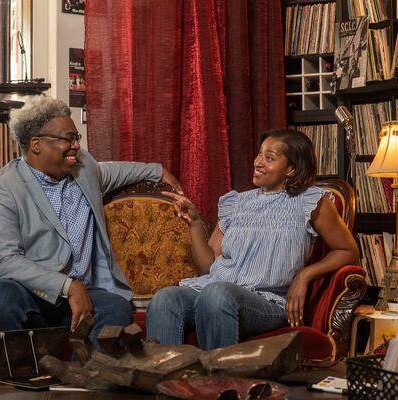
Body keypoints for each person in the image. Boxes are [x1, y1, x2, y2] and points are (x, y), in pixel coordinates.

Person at [0, 96, 182, 346]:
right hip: (27, 292)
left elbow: (116, 170)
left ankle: (85, 382)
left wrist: (157, 170)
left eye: (76, 138)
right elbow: (3, 262)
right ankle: (8, 383)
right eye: (68, 138)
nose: (76, 145)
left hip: (84, 293)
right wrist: (67, 286)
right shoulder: (1, 190)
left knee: (116, 308)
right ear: (36, 145)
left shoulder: (83, 168)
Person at [146, 128, 359, 350]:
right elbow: (208, 266)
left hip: (267, 302)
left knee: (217, 294)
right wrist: (195, 222)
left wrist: (304, 275)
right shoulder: (236, 203)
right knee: (165, 299)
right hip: (215, 292)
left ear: (291, 169)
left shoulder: (311, 202)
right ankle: (166, 382)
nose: (258, 162)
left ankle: (219, 383)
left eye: (270, 158)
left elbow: (348, 251)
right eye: (259, 154)